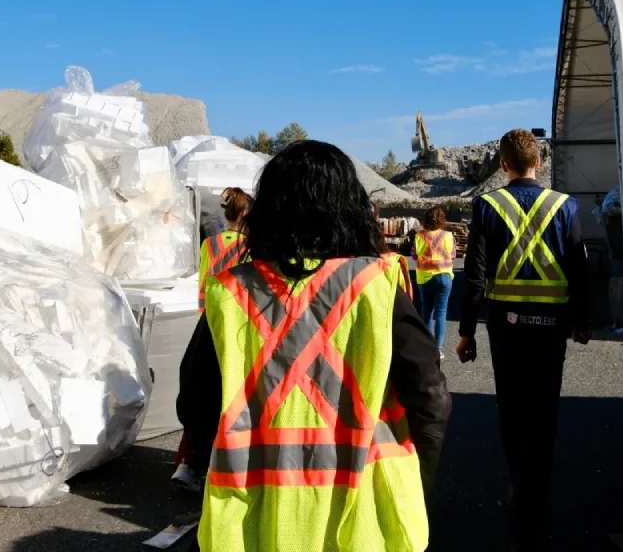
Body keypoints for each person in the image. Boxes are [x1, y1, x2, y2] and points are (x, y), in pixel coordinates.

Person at [178, 140, 451, 552]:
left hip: (252, 524)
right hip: (363, 520)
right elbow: (430, 400)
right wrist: (416, 478)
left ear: (268, 210)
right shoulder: (377, 288)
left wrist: (210, 462)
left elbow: (195, 404)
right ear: (350, 208)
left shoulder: (229, 293)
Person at [455, 129, 590, 545]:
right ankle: (540, 488)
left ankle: (518, 482)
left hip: (506, 326)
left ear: (503, 165)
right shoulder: (565, 205)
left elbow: (474, 274)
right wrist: (583, 320)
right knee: (545, 405)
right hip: (552, 326)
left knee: (512, 407)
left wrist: (466, 331)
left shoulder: (487, 205)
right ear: (539, 162)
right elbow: (579, 267)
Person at [173, 186, 253, 492]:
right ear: (245, 214)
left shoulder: (210, 244)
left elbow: (204, 282)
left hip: (208, 320)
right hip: (236, 323)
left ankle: (189, 461)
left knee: (200, 389)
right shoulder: (249, 246)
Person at [412, 207, 456, 355]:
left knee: (426, 312)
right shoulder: (448, 236)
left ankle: (425, 347)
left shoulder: (419, 236)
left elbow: (414, 255)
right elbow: (453, 254)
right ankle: (438, 348)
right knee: (441, 312)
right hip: (444, 276)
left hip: (424, 278)